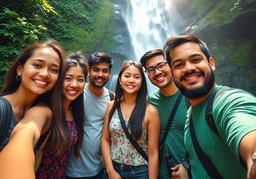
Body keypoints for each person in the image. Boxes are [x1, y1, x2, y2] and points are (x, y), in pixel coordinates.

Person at [163, 34, 256, 179]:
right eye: (179, 65)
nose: (188, 68)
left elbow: (246, 130)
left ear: (211, 63)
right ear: (172, 73)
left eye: (195, 60)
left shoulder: (229, 101)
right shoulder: (191, 114)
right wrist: (188, 171)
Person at [0, 39, 63, 151]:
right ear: (20, 69)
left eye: (53, 70)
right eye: (37, 65)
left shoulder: (45, 111)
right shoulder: (2, 109)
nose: (44, 74)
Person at [101, 60, 160, 179]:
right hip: (115, 168)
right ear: (120, 79)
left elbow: (153, 152)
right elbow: (105, 140)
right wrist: (110, 170)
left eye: (136, 77)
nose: (131, 80)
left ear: (142, 82)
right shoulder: (111, 106)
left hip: (140, 172)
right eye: (127, 76)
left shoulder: (150, 111)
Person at [36, 52, 87, 179]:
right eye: (68, 78)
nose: (74, 84)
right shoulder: (45, 111)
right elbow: (26, 133)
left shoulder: (73, 112)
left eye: (80, 80)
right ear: (58, 80)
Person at [140, 49, 189, 179]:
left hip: (191, 173)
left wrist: (188, 168)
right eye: (150, 70)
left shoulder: (191, 97)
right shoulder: (149, 102)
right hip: (159, 174)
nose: (157, 72)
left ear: (171, 65)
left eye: (161, 65)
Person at [66, 52, 114, 179]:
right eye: (96, 70)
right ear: (88, 71)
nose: (100, 74)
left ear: (110, 73)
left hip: (100, 170)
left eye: (104, 71)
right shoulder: (75, 94)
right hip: (72, 170)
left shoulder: (112, 98)